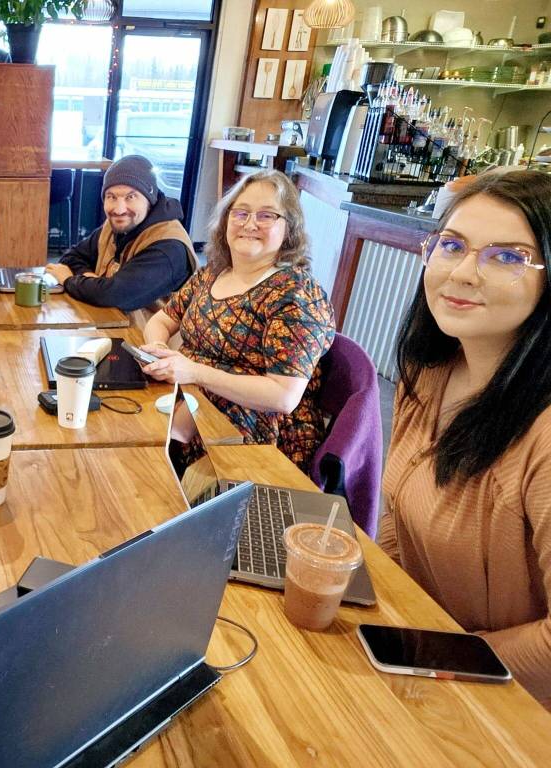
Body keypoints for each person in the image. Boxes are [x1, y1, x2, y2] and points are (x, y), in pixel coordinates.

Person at [379, 170, 551, 708]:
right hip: (419, 658)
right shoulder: (428, 372)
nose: (462, 273)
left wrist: (433, 659)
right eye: (452, 246)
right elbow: (397, 517)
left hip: (508, 706)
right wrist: (379, 613)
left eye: (507, 257)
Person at [140, 170, 335, 472]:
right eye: (241, 212)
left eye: (266, 215)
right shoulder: (213, 273)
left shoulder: (296, 293)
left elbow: (283, 396)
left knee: (139, 462)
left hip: (254, 441)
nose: (249, 224)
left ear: (290, 228)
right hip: (192, 405)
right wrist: (159, 351)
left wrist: (195, 372)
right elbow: (162, 321)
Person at [45, 154, 197, 313]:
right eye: (111, 197)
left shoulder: (168, 248)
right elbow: (71, 258)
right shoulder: (116, 226)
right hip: (111, 323)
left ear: (150, 199)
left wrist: (69, 280)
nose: (119, 210)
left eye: (131, 197)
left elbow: (113, 296)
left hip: (148, 329)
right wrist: (91, 280)